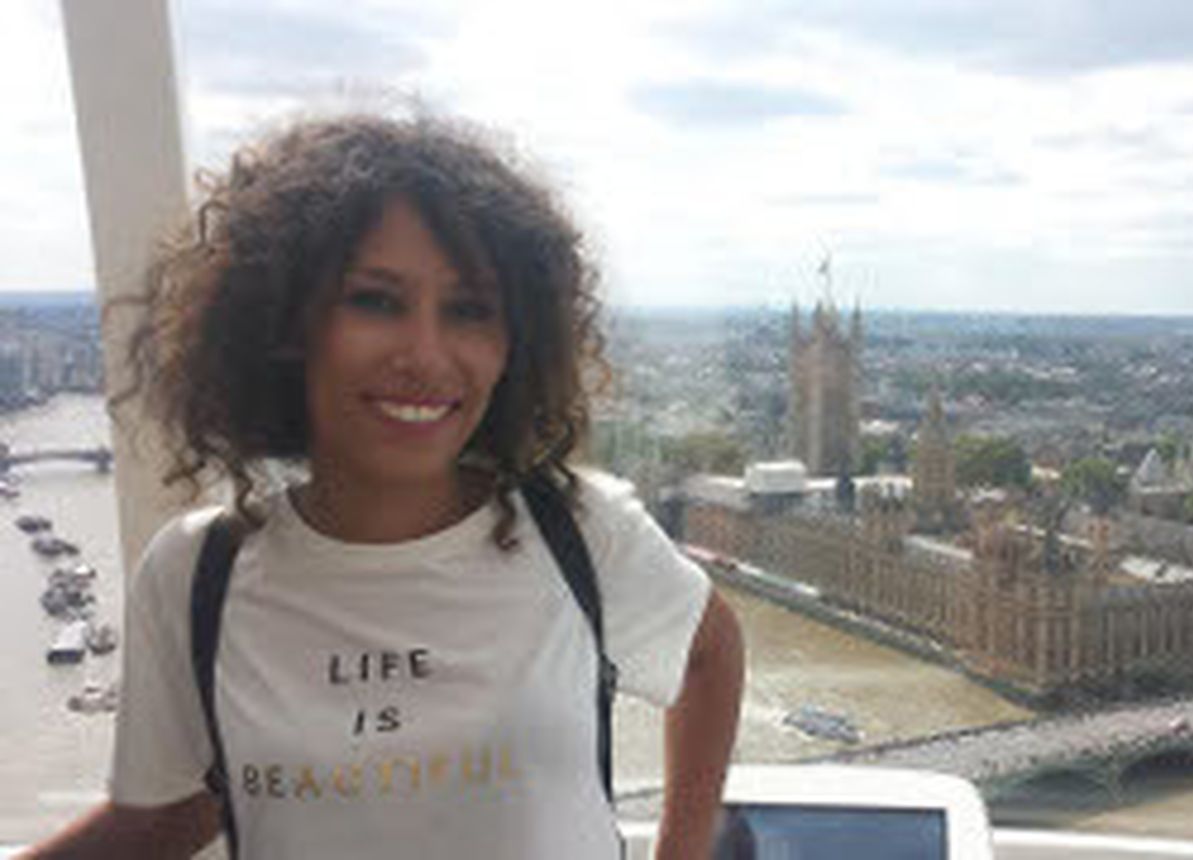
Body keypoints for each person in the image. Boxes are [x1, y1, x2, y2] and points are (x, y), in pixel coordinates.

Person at [24, 113, 744, 859]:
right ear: (286, 324)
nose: (425, 355)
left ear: (513, 346)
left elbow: (708, 652)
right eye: (375, 301)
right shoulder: (196, 574)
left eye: (468, 311)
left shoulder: (581, 533)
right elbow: (173, 813)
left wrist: (681, 850)